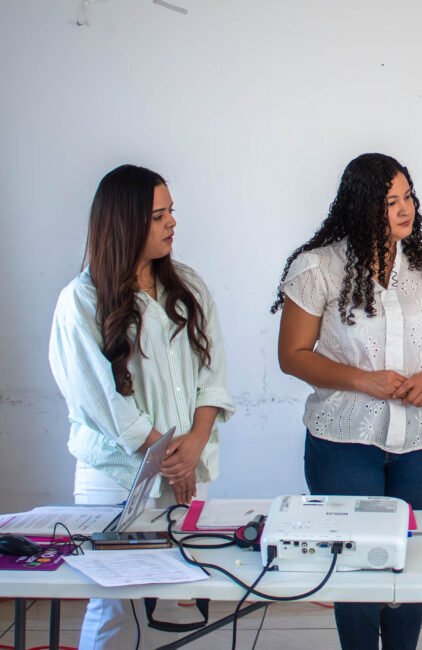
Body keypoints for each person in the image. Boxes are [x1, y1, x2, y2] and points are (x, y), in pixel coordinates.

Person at [273, 152, 422, 650]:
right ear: (361, 207)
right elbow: (292, 356)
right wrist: (362, 381)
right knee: (356, 569)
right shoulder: (318, 268)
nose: (405, 209)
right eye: (390, 201)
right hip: (344, 442)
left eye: (408, 196)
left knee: (411, 567)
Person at [49, 164, 235, 650]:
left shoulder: (188, 286)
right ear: (125, 222)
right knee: (114, 606)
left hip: (189, 469)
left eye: (171, 211)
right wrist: (169, 457)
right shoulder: (81, 301)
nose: (172, 222)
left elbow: (212, 377)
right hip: (117, 478)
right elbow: (105, 405)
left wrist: (192, 445)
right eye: (158, 215)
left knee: (182, 591)